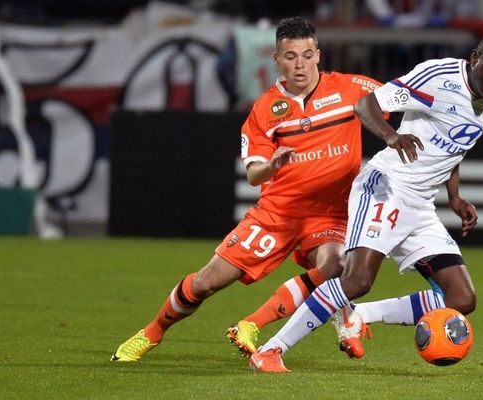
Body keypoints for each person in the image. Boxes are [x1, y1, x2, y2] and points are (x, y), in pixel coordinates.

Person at [110, 16, 413, 363]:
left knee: (335, 265)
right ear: (277, 59)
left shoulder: (352, 88)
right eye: (290, 56)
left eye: (306, 54)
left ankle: (253, 324)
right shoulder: (265, 108)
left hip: (328, 213)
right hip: (277, 213)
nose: (299, 64)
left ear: (318, 54)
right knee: (206, 283)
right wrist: (273, 166)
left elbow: (407, 99)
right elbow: (254, 174)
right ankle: (152, 333)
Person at [249, 30, 483, 372]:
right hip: (386, 187)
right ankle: (271, 351)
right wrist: (392, 136)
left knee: (461, 300)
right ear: (475, 57)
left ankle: (359, 315)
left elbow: (454, 144)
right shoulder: (439, 77)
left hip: (420, 205)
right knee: (357, 280)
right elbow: (365, 105)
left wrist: (454, 196)